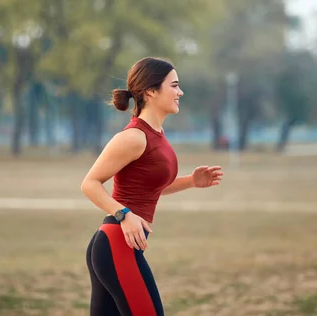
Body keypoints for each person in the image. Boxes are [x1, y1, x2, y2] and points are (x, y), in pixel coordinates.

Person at [81, 57, 223, 315]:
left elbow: (148, 189)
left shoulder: (156, 134)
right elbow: (90, 183)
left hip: (116, 245)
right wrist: (123, 214)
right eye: (174, 85)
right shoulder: (134, 137)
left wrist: (191, 181)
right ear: (151, 91)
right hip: (116, 245)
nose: (180, 92)